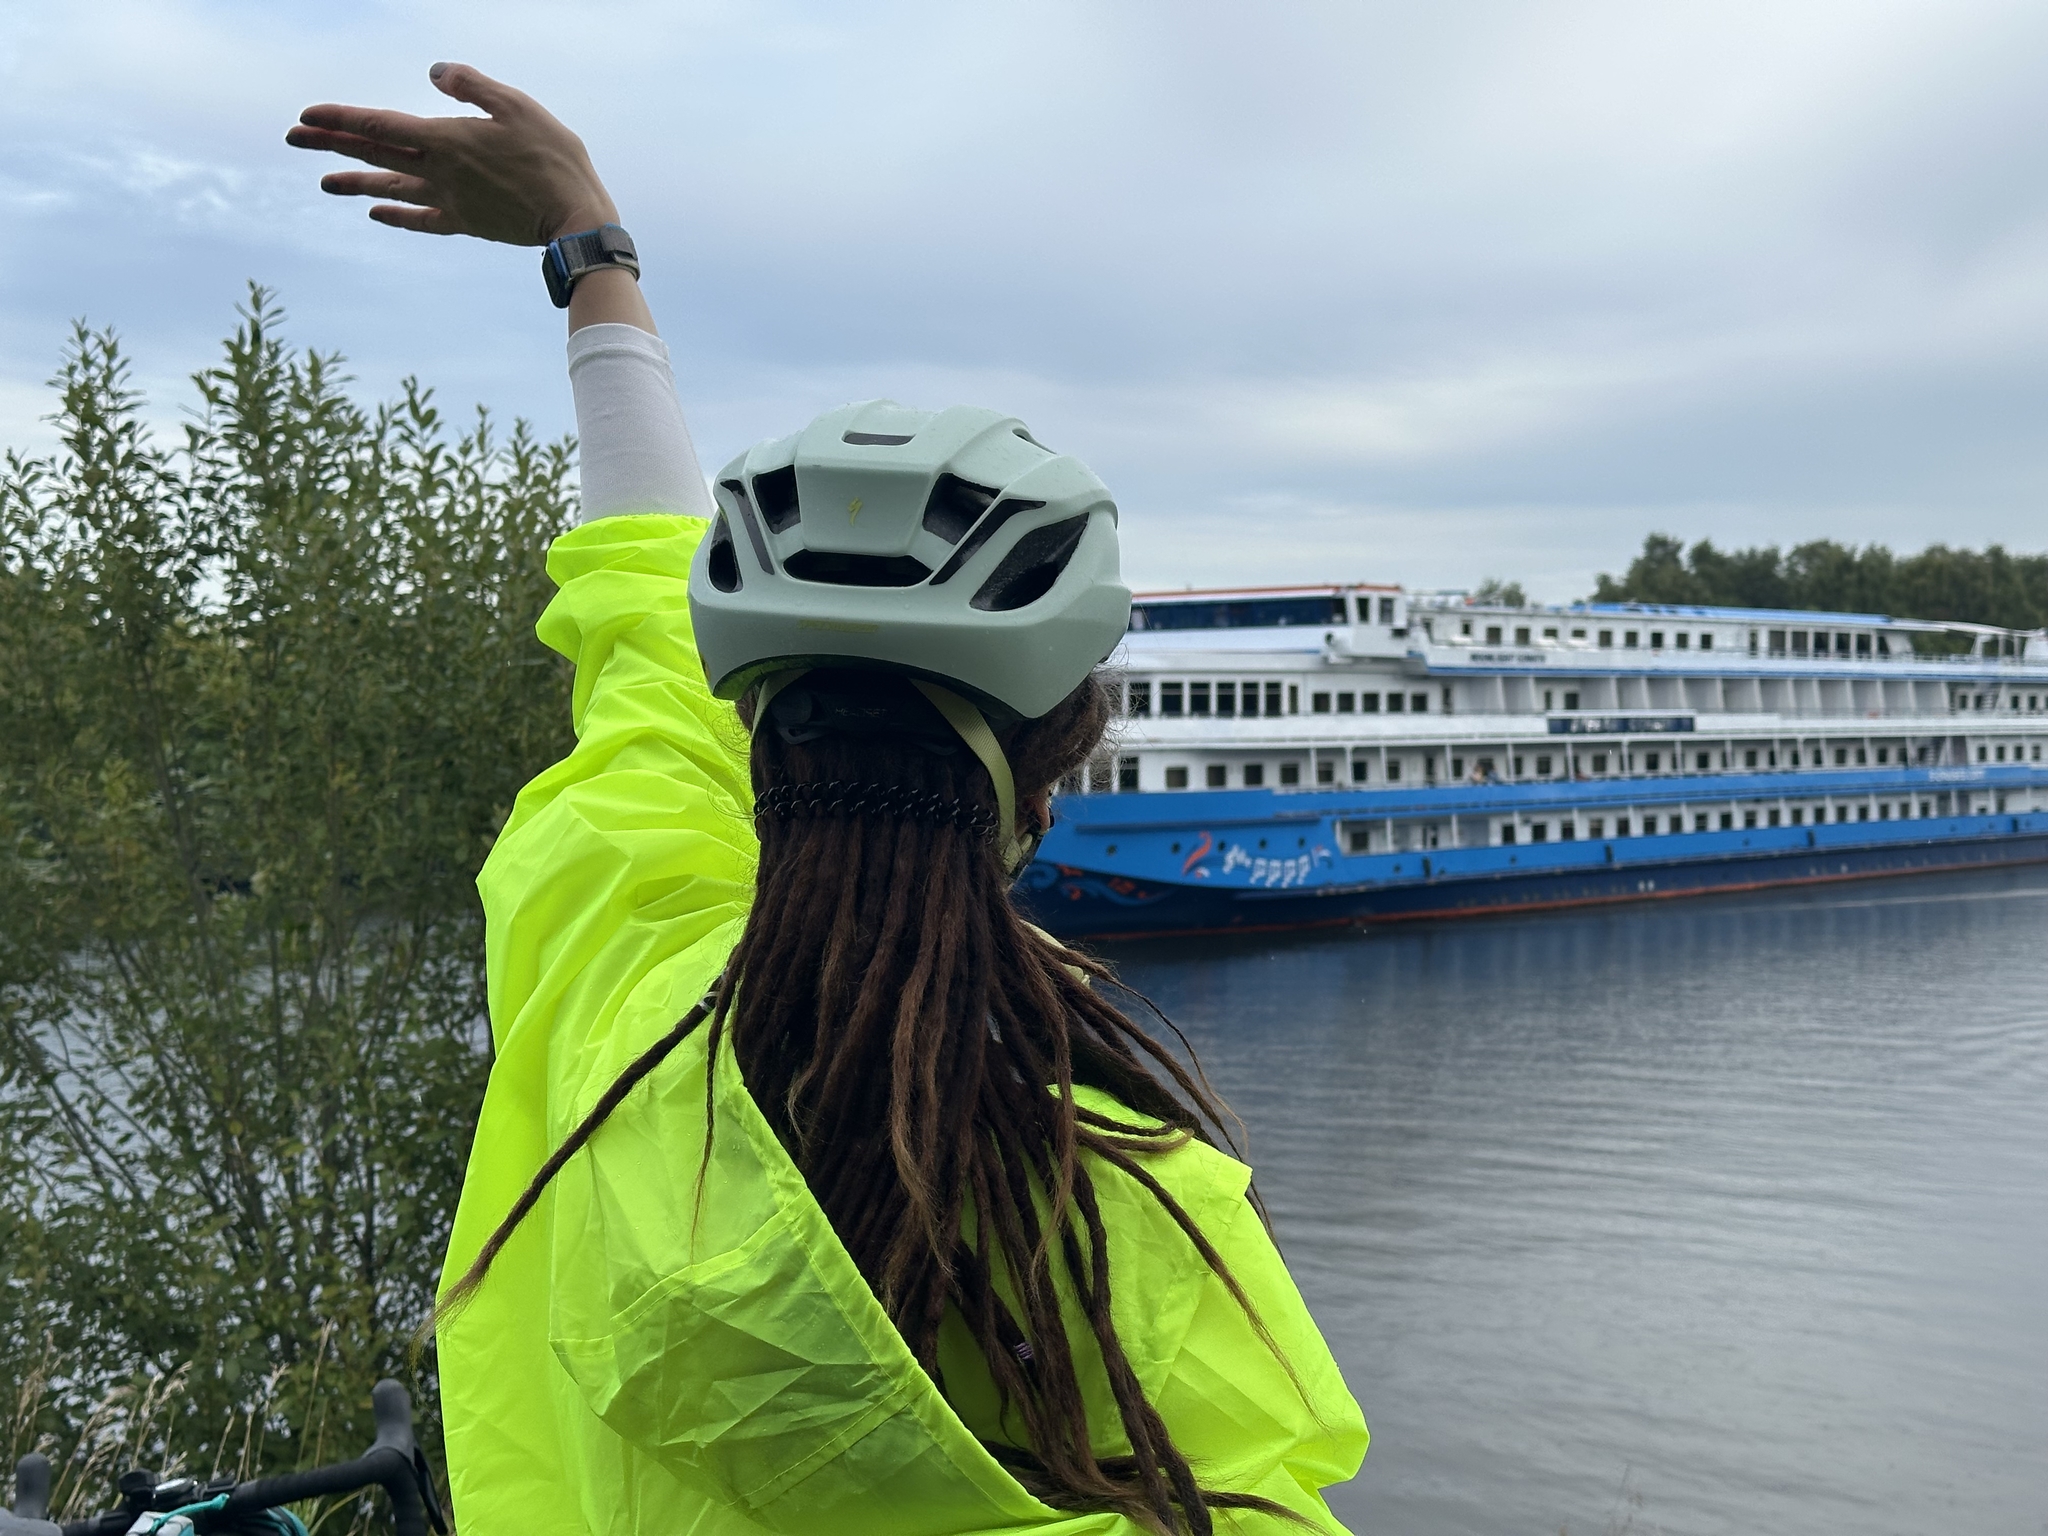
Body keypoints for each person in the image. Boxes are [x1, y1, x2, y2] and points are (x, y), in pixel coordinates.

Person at [286, 64, 1367, 1536]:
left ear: (759, 738)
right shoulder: (1123, 1228)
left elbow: (643, 637)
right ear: (1041, 781)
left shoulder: (610, 1001)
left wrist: (588, 249)